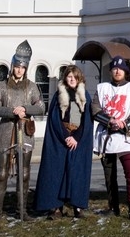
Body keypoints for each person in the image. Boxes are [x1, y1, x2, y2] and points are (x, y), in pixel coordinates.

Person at [0, 40, 45, 223]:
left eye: (23, 67)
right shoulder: (2, 86)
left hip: (25, 133)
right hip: (6, 132)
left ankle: (22, 211)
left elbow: (41, 107)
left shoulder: (31, 87)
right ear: (13, 66)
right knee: (2, 173)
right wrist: (12, 111)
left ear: (26, 68)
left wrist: (25, 110)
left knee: (24, 173)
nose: (19, 70)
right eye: (17, 66)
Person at [34, 64, 93, 220]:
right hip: (60, 138)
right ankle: (56, 207)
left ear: (79, 78)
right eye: (69, 76)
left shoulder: (84, 95)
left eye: (74, 76)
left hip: (78, 139)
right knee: (56, 172)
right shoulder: (59, 94)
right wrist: (65, 135)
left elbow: (87, 120)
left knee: (77, 173)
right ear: (65, 78)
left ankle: (77, 207)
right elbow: (54, 118)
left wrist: (76, 137)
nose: (71, 79)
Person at [91, 56, 130, 221]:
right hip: (106, 136)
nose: (117, 71)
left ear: (126, 72)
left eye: (120, 69)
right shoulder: (101, 88)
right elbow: (95, 110)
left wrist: (124, 124)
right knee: (109, 174)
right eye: (114, 68)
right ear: (110, 71)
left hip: (125, 137)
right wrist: (110, 121)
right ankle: (113, 206)